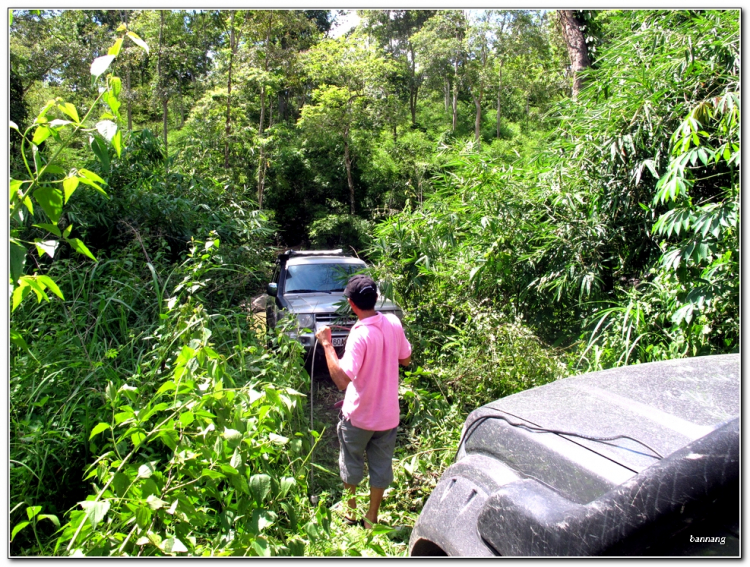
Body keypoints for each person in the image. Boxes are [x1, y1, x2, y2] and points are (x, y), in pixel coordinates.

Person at [314, 274, 411, 529]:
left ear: (351, 303)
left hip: (359, 416)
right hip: (388, 416)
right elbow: (406, 359)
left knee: (351, 461)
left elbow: (342, 380)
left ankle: (350, 513)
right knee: (381, 466)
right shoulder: (393, 322)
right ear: (376, 298)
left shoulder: (359, 334)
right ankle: (372, 518)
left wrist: (327, 345)